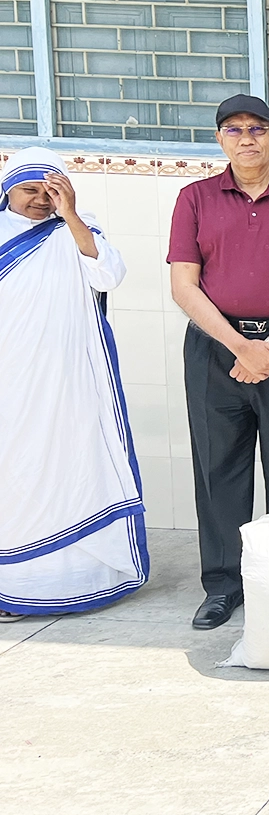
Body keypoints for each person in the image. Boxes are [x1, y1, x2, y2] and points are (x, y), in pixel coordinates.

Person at [168, 95, 269, 630]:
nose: (247, 138)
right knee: (219, 468)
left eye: (257, 129)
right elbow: (183, 286)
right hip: (215, 349)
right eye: (234, 129)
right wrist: (241, 347)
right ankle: (224, 586)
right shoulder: (194, 199)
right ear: (220, 138)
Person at [0, 148, 147, 619]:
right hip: (10, 381)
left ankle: (67, 580)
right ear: (7, 191)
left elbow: (109, 273)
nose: (40, 200)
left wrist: (70, 216)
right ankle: (13, 583)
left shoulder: (77, 229)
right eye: (29, 190)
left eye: (50, 190)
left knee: (66, 467)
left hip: (65, 381)